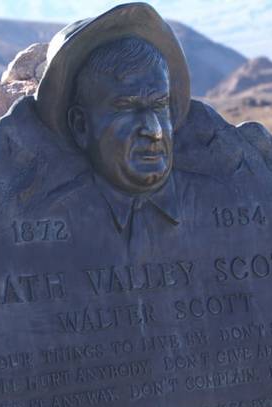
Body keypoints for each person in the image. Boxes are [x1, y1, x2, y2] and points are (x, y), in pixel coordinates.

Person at [34, 3, 196, 252]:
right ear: (80, 125)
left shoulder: (235, 199)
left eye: (159, 106)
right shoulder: (38, 221)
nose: (155, 131)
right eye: (128, 108)